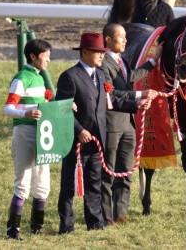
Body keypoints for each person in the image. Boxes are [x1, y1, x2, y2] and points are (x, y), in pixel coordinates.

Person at [55, 32, 146, 234]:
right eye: (98, 52)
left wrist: (136, 104)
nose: (102, 56)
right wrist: (79, 130)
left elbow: (111, 102)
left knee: (94, 182)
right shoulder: (69, 77)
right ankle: (66, 225)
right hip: (74, 141)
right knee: (69, 185)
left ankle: (95, 222)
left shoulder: (100, 75)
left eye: (103, 52)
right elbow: (61, 109)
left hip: (97, 140)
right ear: (85, 52)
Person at [100, 23, 161, 225]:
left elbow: (131, 77)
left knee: (126, 170)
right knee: (109, 171)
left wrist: (153, 60)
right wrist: (139, 95)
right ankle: (106, 215)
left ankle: (121, 213)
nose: (126, 40)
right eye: (121, 37)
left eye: (125, 37)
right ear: (108, 40)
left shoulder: (122, 60)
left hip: (128, 124)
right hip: (111, 124)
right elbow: (111, 93)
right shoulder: (102, 63)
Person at [3, 39, 52, 240]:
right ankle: (12, 231)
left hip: (42, 134)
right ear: (33, 56)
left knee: (43, 183)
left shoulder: (40, 78)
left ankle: (37, 227)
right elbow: (8, 108)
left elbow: (42, 107)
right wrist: (27, 112)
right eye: (45, 55)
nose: (49, 59)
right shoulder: (21, 78)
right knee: (23, 182)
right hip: (24, 132)